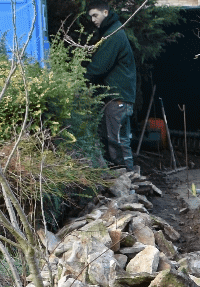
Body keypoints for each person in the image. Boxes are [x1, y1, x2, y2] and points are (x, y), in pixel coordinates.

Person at [85, 2, 137, 172]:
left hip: (117, 98)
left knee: (116, 141)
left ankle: (124, 177)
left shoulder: (113, 35)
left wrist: (78, 78)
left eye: (95, 15)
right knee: (122, 140)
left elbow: (98, 66)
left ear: (105, 12)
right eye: (91, 16)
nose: (92, 19)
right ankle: (129, 178)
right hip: (122, 98)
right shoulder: (113, 31)